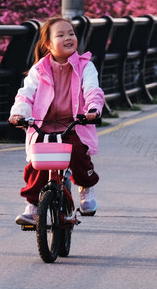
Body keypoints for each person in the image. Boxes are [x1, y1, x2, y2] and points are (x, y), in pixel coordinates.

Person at [9, 17, 105, 225]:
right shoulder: (39, 69)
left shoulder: (85, 66)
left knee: (78, 152)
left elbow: (92, 90)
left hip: (74, 122)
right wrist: (18, 113)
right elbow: (26, 94)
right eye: (60, 35)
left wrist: (92, 109)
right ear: (48, 44)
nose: (68, 38)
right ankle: (33, 207)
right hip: (43, 123)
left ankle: (86, 189)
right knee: (38, 163)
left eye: (71, 33)